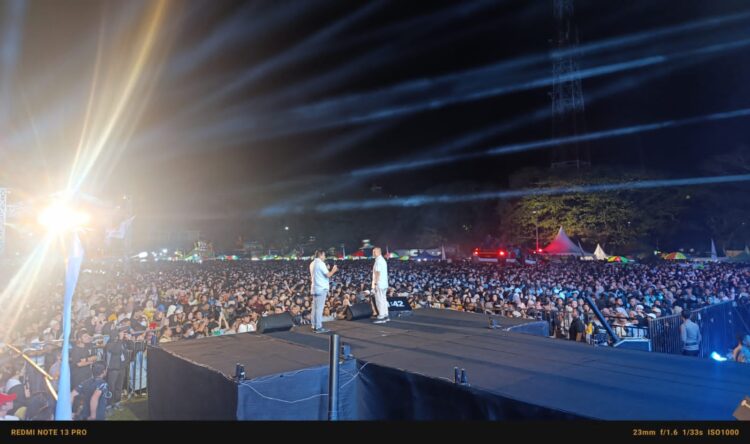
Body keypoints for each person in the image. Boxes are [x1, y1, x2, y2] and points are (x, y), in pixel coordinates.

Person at [309, 250, 338, 333]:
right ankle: (318, 327)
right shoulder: (321, 263)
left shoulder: (312, 263)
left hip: (315, 288)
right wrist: (333, 270)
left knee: (314, 308)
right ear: (320, 255)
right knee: (319, 309)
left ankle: (314, 325)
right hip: (321, 288)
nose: (325, 257)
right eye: (324, 255)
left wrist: (327, 269)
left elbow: (319, 274)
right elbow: (328, 275)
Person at [372, 247, 390, 323]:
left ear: (379, 252)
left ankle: (381, 317)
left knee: (379, 300)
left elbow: (377, 273)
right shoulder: (382, 260)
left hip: (379, 283)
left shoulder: (379, 261)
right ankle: (386, 315)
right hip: (384, 283)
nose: (373, 253)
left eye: (374, 252)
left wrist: (375, 284)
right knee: (383, 299)